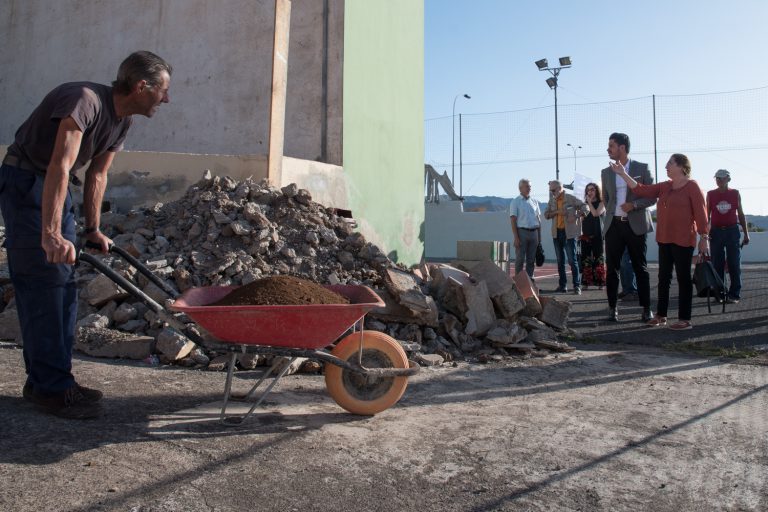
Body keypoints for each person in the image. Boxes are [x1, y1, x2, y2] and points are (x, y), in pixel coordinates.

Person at [0, 51, 172, 419]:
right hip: (27, 182)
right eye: (163, 91)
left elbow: (96, 175)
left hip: (53, 190)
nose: (166, 99)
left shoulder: (122, 121)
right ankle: (51, 388)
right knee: (45, 283)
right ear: (142, 86)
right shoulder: (84, 100)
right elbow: (60, 166)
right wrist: (50, 234)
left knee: (62, 288)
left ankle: (49, 382)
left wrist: (93, 229)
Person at [611, 153, 709, 330]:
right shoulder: (666, 186)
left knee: (683, 279)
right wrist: (622, 173)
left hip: (683, 239)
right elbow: (641, 190)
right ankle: (661, 315)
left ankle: (685, 319)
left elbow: (701, 214)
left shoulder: (692, 187)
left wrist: (704, 237)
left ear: (681, 166)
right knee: (663, 278)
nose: (666, 166)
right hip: (664, 238)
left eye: (670, 163)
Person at [601, 132, 656, 322]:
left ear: (622, 148)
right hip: (614, 226)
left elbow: (651, 196)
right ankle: (612, 308)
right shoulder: (606, 172)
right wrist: (612, 213)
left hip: (636, 225)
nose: (608, 149)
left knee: (640, 268)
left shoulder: (642, 167)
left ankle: (647, 308)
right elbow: (606, 198)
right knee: (612, 269)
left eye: (611, 146)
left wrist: (634, 205)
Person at [706, 169, 750, 303]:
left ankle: (734, 294)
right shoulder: (710, 194)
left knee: (734, 263)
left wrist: (746, 234)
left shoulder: (735, 193)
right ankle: (719, 293)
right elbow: (707, 216)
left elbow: (741, 214)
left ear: (728, 179)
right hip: (716, 232)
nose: (719, 180)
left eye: (722, 178)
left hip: (732, 231)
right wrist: (705, 235)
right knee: (717, 264)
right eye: (717, 178)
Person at [544, 180, 587, 294]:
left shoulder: (570, 198)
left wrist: (576, 216)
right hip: (556, 234)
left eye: (553, 190)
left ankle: (577, 286)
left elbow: (585, 207)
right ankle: (562, 286)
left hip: (569, 234)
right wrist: (557, 212)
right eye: (550, 190)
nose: (552, 192)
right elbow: (546, 215)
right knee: (560, 261)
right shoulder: (552, 201)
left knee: (572, 260)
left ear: (560, 188)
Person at [509, 178, 541, 280]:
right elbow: (513, 220)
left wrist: (539, 238)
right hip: (522, 232)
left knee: (531, 260)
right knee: (520, 259)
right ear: (520, 188)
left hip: (534, 233)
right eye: (527, 186)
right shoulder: (515, 202)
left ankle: (530, 282)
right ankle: (519, 282)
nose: (529, 188)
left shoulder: (534, 201)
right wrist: (516, 237)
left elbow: (539, 220)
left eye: (530, 186)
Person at [579, 182, 606, 290]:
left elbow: (596, 213)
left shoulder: (602, 203)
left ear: (597, 191)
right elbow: (581, 219)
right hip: (585, 234)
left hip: (598, 234)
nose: (590, 192)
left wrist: (589, 203)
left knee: (598, 258)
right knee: (585, 258)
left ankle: (600, 282)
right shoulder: (583, 204)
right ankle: (586, 282)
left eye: (592, 189)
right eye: (588, 190)